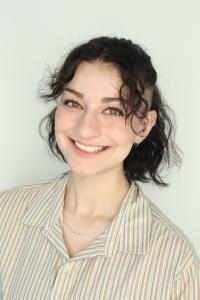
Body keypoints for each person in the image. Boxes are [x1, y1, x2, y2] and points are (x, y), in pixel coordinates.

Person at [0, 36, 199, 299]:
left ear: (143, 126)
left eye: (113, 110)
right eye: (73, 103)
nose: (85, 129)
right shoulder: (6, 213)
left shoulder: (175, 264)